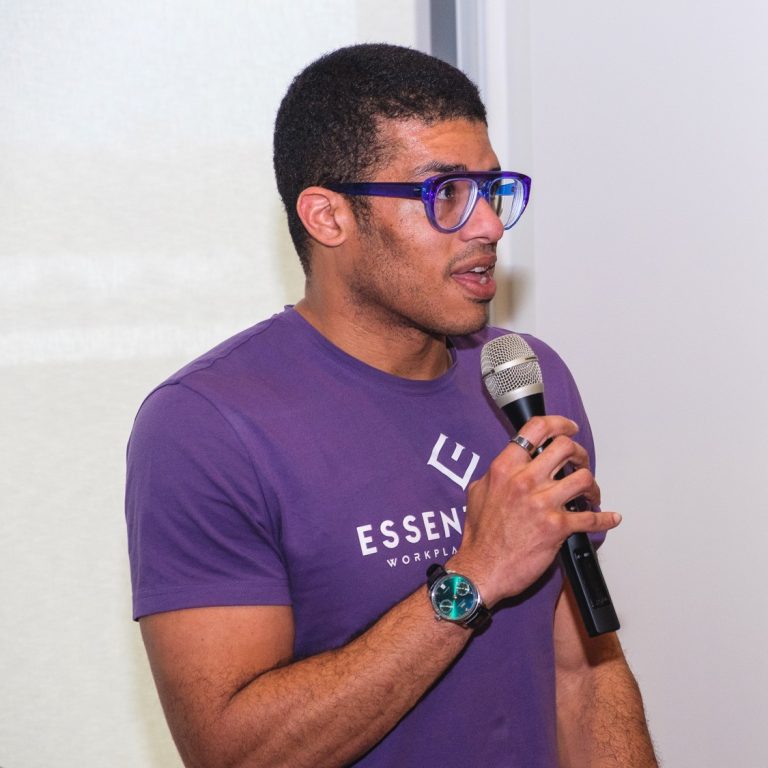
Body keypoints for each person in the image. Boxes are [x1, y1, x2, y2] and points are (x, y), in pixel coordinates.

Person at [126, 43, 658, 767]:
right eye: (445, 193)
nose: (488, 226)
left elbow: (585, 671)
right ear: (329, 217)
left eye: (491, 189)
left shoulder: (527, 380)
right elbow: (237, 754)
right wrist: (475, 575)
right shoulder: (207, 425)